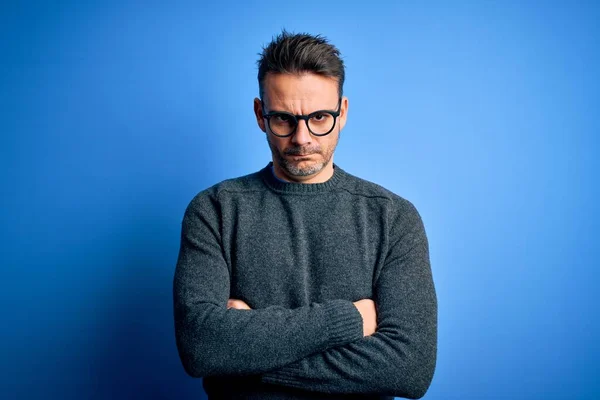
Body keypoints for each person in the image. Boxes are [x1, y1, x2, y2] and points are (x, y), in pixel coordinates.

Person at [173, 30, 437, 400]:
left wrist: (242, 359)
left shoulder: (393, 218)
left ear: (342, 112)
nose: (301, 138)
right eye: (283, 118)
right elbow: (202, 347)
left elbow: (409, 369)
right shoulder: (215, 209)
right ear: (259, 115)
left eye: (319, 117)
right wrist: (350, 320)